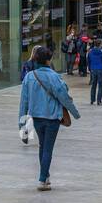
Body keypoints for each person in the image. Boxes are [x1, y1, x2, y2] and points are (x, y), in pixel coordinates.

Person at [18, 48, 82, 190]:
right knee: (48, 149)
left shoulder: (29, 77)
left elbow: (24, 102)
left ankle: (45, 177)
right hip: (52, 117)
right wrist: (75, 113)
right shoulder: (54, 77)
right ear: (48, 60)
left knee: (43, 146)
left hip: (37, 117)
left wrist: (21, 125)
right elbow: (64, 97)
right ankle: (42, 179)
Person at [86, 35, 102, 106]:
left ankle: (92, 99)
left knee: (93, 84)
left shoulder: (91, 52)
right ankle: (99, 100)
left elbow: (88, 60)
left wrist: (90, 68)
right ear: (100, 44)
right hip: (101, 69)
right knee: (100, 85)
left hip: (93, 69)